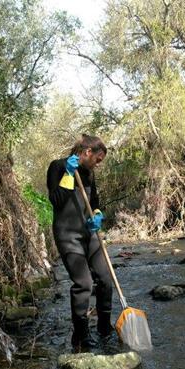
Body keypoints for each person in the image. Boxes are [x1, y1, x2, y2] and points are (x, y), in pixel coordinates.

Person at [47, 134, 113, 352]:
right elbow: (57, 201)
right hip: (68, 236)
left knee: (105, 278)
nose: (98, 164)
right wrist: (67, 175)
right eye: (98, 159)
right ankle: (81, 335)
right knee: (84, 284)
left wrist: (98, 215)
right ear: (87, 153)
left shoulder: (89, 174)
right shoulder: (57, 167)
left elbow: (95, 203)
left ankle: (104, 328)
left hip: (89, 234)